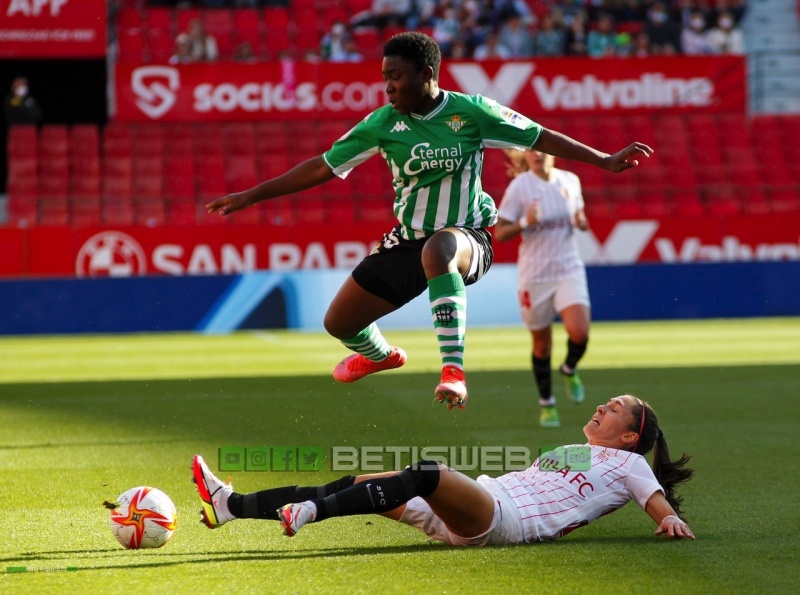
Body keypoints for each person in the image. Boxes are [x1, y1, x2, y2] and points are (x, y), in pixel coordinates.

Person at [204, 32, 653, 410]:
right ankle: (381, 356)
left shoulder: (472, 113)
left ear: (426, 74)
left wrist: (604, 160)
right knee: (339, 324)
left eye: (395, 77)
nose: (388, 88)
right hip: (407, 239)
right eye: (385, 79)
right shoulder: (382, 124)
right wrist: (252, 194)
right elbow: (323, 166)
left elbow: (537, 135)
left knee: (438, 247)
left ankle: (453, 370)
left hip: (468, 238)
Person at [191, 395, 696, 544]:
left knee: (425, 472)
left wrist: (666, 519)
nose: (603, 407)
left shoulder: (629, 463)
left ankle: (308, 515)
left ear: (631, 435)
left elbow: (655, 502)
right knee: (355, 482)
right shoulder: (572, 449)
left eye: (614, 408)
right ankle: (229, 507)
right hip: (477, 503)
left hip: (503, 520)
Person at [493, 149, 591, 428]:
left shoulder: (570, 180)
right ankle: (547, 403)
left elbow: (579, 214)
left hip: (568, 267)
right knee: (542, 344)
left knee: (579, 331)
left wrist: (581, 222)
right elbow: (500, 232)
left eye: (542, 150)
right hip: (534, 275)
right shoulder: (520, 186)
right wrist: (526, 222)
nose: (537, 155)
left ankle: (569, 368)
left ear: (553, 154)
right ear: (525, 157)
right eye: (531, 151)